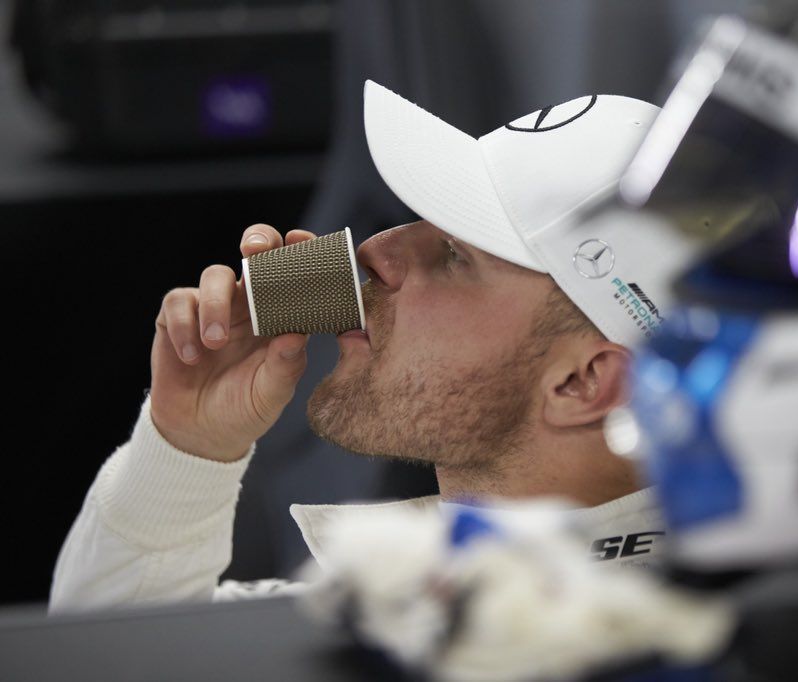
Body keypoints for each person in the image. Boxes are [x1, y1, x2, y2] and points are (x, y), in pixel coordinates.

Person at [51, 81, 670, 611]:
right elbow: (97, 660)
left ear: (585, 382)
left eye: (455, 255)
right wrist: (186, 451)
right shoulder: (386, 607)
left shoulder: (641, 647)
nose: (375, 250)